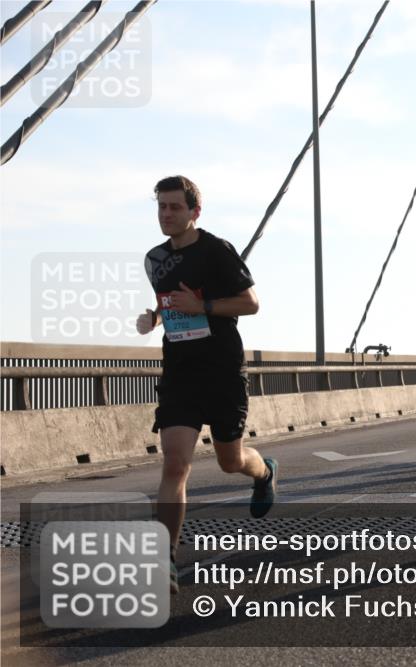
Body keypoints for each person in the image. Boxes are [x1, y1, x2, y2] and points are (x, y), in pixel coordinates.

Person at [136, 175, 276, 594]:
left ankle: (264, 472)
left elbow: (251, 303)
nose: (166, 214)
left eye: (175, 207)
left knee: (229, 462)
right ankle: (166, 558)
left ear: (195, 211)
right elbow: (170, 302)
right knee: (175, 462)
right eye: (161, 206)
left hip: (222, 371)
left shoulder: (217, 250)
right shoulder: (154, 259)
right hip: (180, 372)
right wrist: (154, 317)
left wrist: (205, 306)